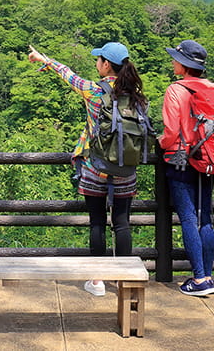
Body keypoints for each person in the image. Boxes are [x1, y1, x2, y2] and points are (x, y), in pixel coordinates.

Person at [28, 42, 147, 297]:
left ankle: (97, 281)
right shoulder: (136, 96)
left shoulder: (94, 91)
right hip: (126, 169)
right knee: (122, 223)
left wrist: (43, 59)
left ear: (106, 65)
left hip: (96, 168)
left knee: (97, 223)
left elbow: (68, 74)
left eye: (99, 60)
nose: (97, 63)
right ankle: (124, 280)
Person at [158, 40, 214, 296]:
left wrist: (160, 142)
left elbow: (171, 132)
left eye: (175, 59)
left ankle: (200, 279)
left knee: (188, 218)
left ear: (184, 65)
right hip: (208, 159)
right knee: (205, 218)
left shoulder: (176, 90)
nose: (173, 62)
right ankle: (208, 276)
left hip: (181, 160)